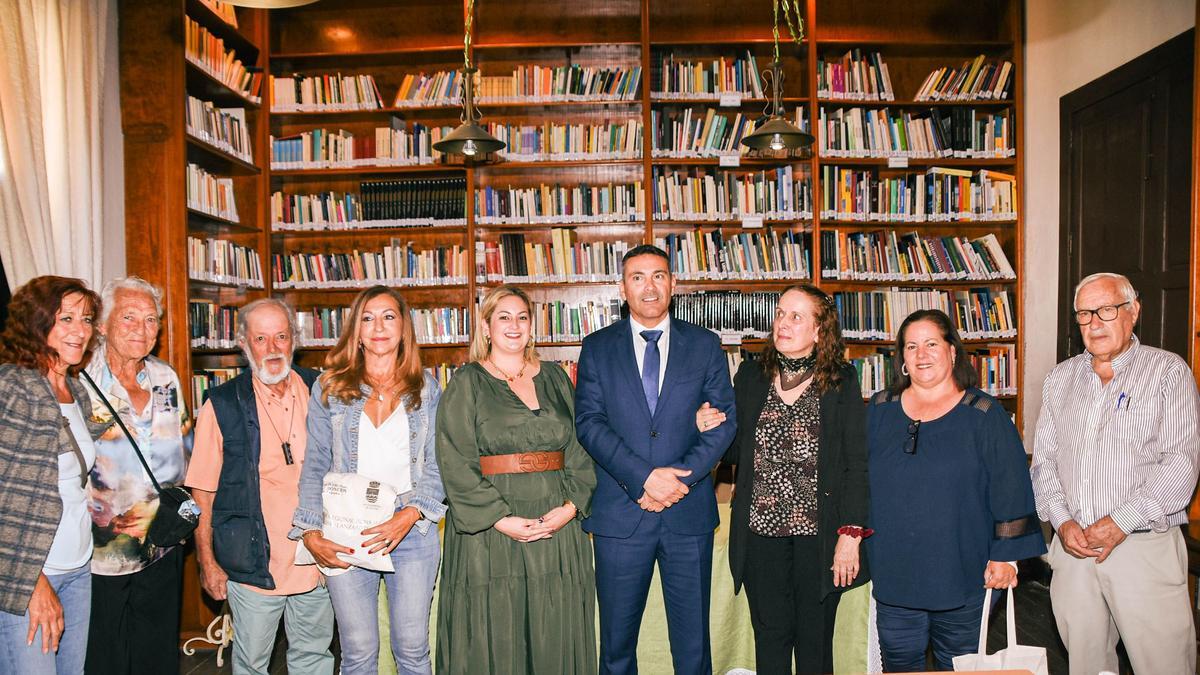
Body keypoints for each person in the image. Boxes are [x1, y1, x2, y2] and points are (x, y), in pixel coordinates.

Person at [575, 245, 736, 675]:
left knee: (693, 648)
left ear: (674, 283)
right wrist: (644, 478)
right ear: (622, 287)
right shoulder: (596, 347)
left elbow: (723, 424)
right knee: (616, 648)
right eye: (638, 277)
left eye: (659, 275)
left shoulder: (704, 345)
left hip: (688, 516)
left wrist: (672, 483)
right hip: (620, 516)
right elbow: (589, 424)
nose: (650, 286)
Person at [1031, 272, 1200, 675]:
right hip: (1074, 553)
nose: (1094, 323)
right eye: (1084, 314)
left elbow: (1181, 463)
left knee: (1164, 665)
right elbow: (1045, 462)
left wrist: (1119, 522)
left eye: (1106, 310)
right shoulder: (1060, 379)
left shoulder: (1168, 372)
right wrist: (1062, 521)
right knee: (1086, 667)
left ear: (1133, 312)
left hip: (1143, 548)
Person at [866, 308, 1045, 672]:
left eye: (932, 343)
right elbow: (855, 479)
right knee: (898, 665)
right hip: (895, 574)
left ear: (952, 351)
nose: (921, 354)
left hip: (963, 574)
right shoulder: (879, 410)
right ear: (901, 359)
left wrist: (1006, 556)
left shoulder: (983, 413)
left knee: (958, 666)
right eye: (911, 346)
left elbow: (1011, 487)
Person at [435, 285, 597, 674]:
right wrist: (498, 518)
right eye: (503, 317)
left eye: (522, 317)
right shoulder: (466, 383)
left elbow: (581, 447)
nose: (513, 325)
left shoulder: (558, 379)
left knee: (555, 628)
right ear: (487, 327)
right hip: (490, 530)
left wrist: (571, 508)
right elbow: (454, 459)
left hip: (555, 525)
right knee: (496, 631)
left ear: (531, 327)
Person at [706, 283, 868, 675]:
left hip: (820, 537)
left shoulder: (841, 380)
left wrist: (851, 534)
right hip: (762, 537)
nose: (783, 322)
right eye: (780, 313)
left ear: (819, 330)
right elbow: (735, 454)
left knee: (815, 650)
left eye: (796, 316)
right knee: (771, 646)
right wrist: (710, 428)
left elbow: (855, 463)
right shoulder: (750, 376)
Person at [293, 286, 445, 675]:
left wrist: (410, 515)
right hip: (346, 530)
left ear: (404, 327)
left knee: (412, 650)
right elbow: (315, 464)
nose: (378, 327)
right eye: (368, 318)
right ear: (355, 330)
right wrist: (310, 533)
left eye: (389, 317)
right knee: (358, 652)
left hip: (410, 532)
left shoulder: (427, 388)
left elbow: (437, 462)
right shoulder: (330, 387)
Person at [185, 298, 334, 675]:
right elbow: (202, 489)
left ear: (294, 339)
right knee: (251, 665)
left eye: (281, 336)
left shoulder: (323, 391)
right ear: (244, 344)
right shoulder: (221, 404)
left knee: (314, 659)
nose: (272, 349)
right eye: (261, 338)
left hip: (317, 561)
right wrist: (207, 560)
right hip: (253, 565)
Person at [0, 276, 110, 674]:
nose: (80, 331)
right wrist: (33, 584)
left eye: (86, 319)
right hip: (29, 573)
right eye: (66, 319)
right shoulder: (13, 387)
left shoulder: (74, 389)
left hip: (78, 567)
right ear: (37, 322)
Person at [82, 276, 191, 675]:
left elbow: (184, 446)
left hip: (162, 541)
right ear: (103, 325)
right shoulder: (81, 384)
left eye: (150, 320)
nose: (141, 329)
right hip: (102, 549)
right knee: (105, 656)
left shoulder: (166, 379)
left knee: (157, 653)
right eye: (128, 317)